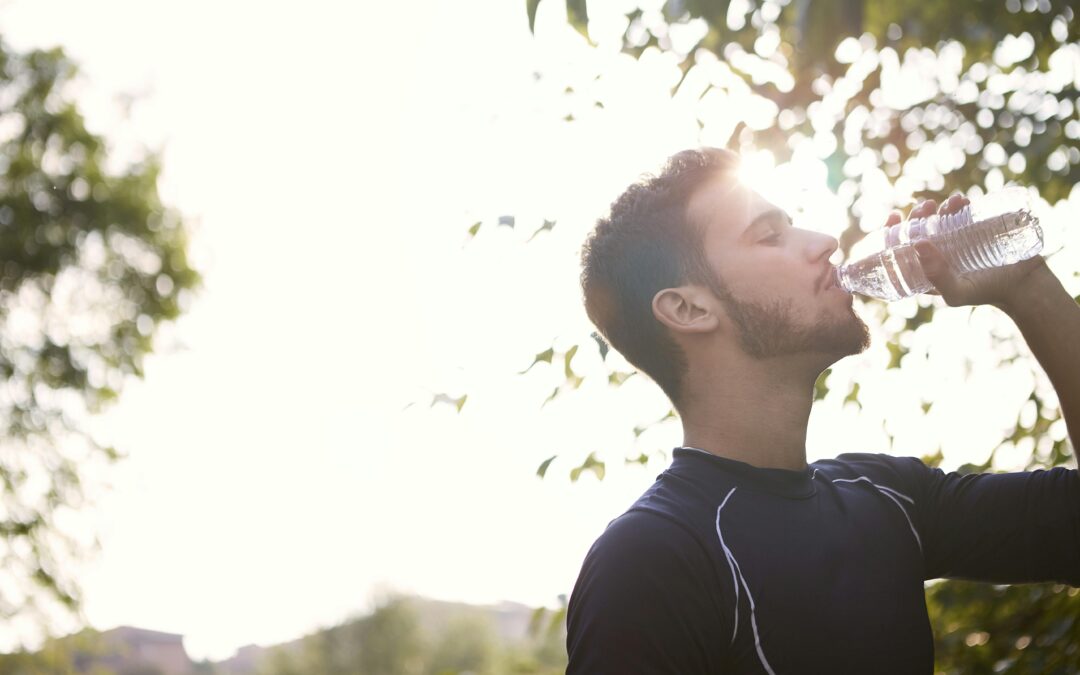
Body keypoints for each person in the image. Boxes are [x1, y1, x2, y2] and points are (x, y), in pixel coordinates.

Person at [566, 147, 1079, 674]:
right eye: (770, 235)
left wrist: (1028, 287)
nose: (826, 243)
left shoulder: (887, 496)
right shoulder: (651, 558)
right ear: (689, 309)